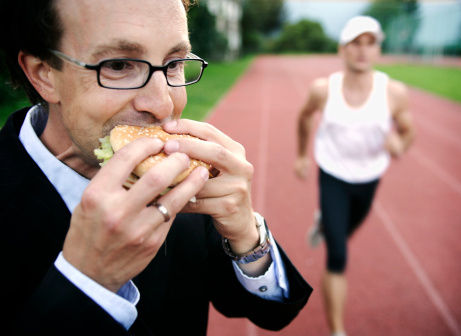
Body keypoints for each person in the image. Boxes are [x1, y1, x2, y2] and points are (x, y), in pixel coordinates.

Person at [0, 0, 313, 335]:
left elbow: (273, 314)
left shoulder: (183, 179)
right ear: (43, 74)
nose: (165, 103)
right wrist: (86, 282)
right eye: (119, 65)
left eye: (175, 63)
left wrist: (247, 237)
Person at [294, 16, 415, 336]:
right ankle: (338, 331)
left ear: (378, 49)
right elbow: (305, 118)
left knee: (344, 232)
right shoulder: (323, 89)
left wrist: (399, 144)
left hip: (370, 177)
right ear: (342, 49)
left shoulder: (394, 92)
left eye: (370, 43)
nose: (362, 51)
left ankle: (325, 222)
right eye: (355, 43)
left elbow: (408, 131)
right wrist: (303, 155)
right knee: (338, 253)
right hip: (332, 174)